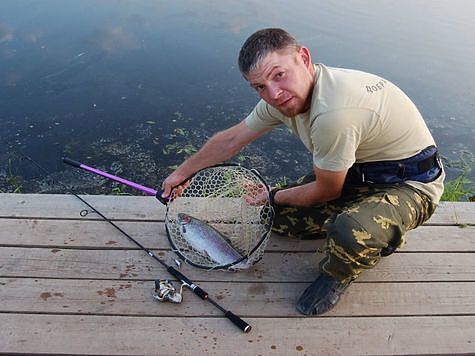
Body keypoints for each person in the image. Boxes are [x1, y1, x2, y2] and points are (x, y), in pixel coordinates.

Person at [161, 28, 444, 315]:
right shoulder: (281, 99)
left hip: (409, 184)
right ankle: (368, 222)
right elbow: (231, 139)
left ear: (304, 58)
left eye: (278, 75)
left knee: (351, 230)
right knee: (278, 220)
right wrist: (181, 174)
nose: (273, 94)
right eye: (259, 87)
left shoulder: (334, 113)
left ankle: (341, 271)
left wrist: (273, 195)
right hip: (358, 173)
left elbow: (327, 190)